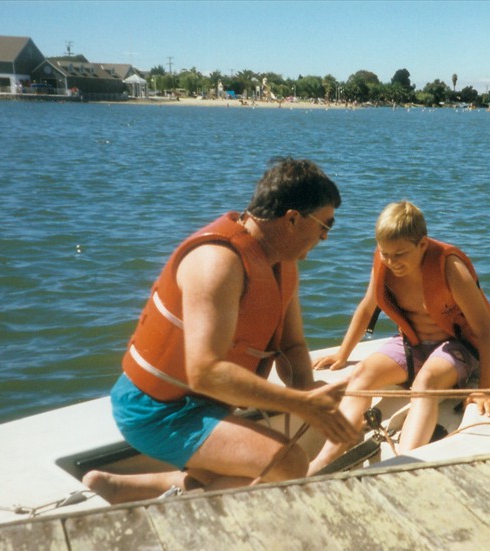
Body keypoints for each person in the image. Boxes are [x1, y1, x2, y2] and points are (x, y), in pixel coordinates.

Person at [84, 158, 358, 503]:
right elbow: (206, 373)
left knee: (252, 461)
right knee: (288, 462)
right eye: (325, 226)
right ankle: (178, 514)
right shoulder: (218, 263)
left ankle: (128, 488)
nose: (325, 238)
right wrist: (300, 404)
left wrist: (310, 390)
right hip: (155, 409)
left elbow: (292, 344)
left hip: (203, 405)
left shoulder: (282, 266)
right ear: (292, 219)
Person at [308, 200, 490, 475]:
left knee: (425, 383)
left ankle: (401, 465)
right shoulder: (384, 261)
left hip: (458, 347)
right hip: (413, 345)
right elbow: (367, 307)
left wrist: (485, 389)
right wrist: (343, 354)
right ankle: (325, 459)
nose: (391, 261)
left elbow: (485, 331)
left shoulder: (450, 268)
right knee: (362, 374)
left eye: (400, 254)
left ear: (422, 244)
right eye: (385, 253)